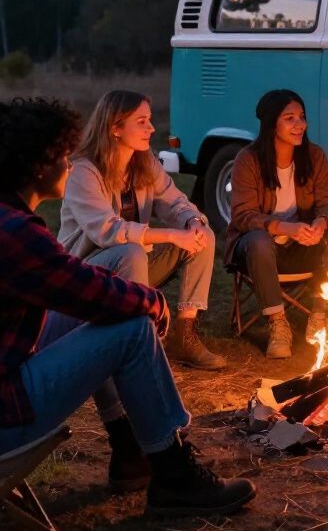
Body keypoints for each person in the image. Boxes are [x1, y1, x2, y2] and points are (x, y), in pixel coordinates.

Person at [0, 97, 255, 516]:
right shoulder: (13, 233)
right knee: (132, 328)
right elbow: (86, 291)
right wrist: (155, 303)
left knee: (118, 314)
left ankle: (130, 449)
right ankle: (174, 475)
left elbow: (83, 287)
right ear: (37, 165)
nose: (69, 164)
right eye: (62, 156)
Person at [58, 90, 223, 370]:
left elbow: (174, 201)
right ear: (115, 128)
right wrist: (171, 235)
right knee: (132, 251)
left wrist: (192, 221)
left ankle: (185, 335)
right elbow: (108, 231)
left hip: (133, 267)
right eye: (142, 121)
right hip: (85, 272)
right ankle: (137, 340)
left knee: (202, 235)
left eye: (150, 120)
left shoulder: (144, 162)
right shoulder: (84, 171)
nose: (152, 128)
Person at [223, 89, 328, 359]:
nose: (299, 124)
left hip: (303, 246)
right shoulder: (248, 159)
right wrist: (284, 228)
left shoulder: (314, 156)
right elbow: (243, 215)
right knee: (258, 239)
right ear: (271, 124)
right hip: (259, 252)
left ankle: (320, 314)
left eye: (302, 117)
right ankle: (278, 324)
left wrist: (320, 224)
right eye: (289, 118)